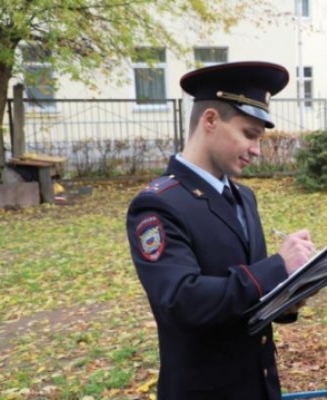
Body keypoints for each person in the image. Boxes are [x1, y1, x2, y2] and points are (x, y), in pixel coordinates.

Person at [125, 61, 315, 400]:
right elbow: (182, 301)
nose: (257, 149)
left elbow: (249, 297)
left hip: (258, 384)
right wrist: (276, 267)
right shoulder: (158, 205)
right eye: (248, 134)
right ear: (210, 120)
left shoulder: (244, 197)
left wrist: (288, 298)